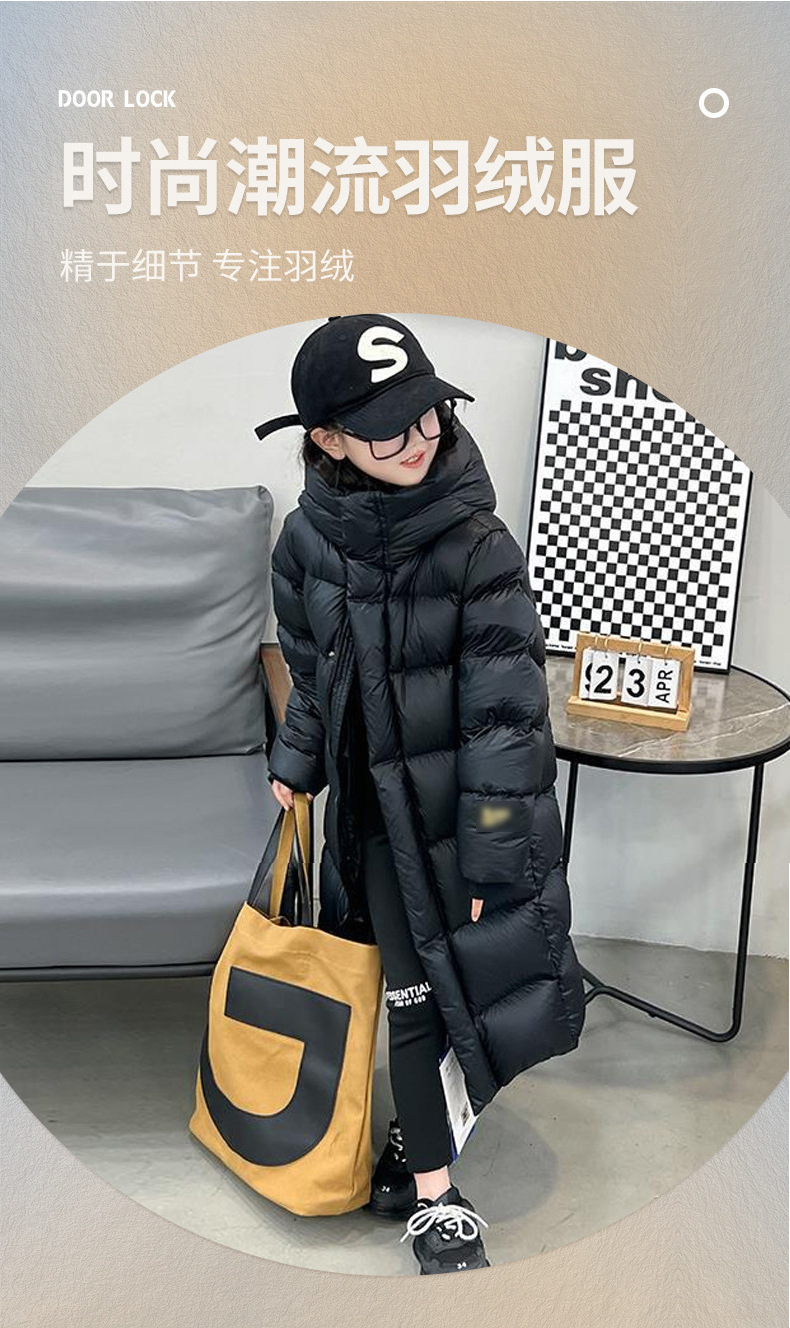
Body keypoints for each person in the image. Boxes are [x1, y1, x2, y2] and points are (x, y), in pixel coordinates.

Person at [255, 314, 586, 1275]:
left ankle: (426, 1161)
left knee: (455, 994)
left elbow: (506, 725)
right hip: (371, 825)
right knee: (412, 996)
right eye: (388, 428)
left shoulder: (479, 547)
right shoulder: (306, 542)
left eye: (430, 413)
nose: (421, 438)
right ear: (327, 440)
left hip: (458, 826)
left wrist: (492, 853)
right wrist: (296, 760)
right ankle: (434, 1181)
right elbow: (313, 677)